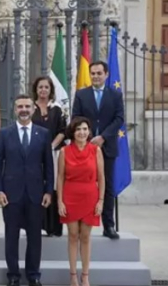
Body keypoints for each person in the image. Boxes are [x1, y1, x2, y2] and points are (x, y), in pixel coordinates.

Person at [0, 94, 54, 286]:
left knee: (35, 237)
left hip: (36, 194)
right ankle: (13, 276)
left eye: (27, 106)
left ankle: (33, 275)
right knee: (11, 237)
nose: (24, 110)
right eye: (20, 107)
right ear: (15, 110)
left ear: (33, 109)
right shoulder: (4, 133)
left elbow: (48, 165)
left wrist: (48, 191)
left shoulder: (43, 134)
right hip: (11, 194)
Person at [71, 61, 124, 240]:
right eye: (92, 73)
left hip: (107, 147)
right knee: (83, 186)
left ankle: (108, 224)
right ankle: (80, 222)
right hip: (85, 147)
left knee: (106, 186)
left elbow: (119, 119)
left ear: (106, 74)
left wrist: (103, 137)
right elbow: (76, 118)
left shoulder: (115, 95)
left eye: (99, 73)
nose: (95, 76)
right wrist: (87, 138)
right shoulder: (81, 94)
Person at [58, 117, 105, 286]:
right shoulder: (64, 151)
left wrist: (100, 201)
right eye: (78, 129)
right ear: (73, 132)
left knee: (85, 236)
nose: (82, 132)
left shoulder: (96, 151)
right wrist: (60, 202)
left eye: (85, 129)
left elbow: (101, 177)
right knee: (72, 235)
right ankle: (72, 276)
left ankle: (85, 275)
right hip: (70, 195)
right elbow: (60, 177)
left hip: (90, 196)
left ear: (89, 131)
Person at [31, 76, 67, 237]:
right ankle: (37, 225)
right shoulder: (30, 108)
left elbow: (63, 130)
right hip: (34, 154)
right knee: (37, 187)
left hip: (54, 153)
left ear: (51, 89)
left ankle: (54, 227)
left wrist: (51, 146)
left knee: (53, 187)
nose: (43, 90)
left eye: (46, 87)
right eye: (40, 87)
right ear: (36, 90)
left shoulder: (57, 109)